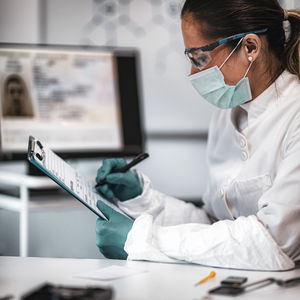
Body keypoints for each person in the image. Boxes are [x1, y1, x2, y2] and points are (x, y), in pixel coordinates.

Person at [95, 0, 300, 271]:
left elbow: (274, 243)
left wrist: (144, 240)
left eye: (200, 58)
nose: (193, 73)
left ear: (250, 47)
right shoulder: (228, 111)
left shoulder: (294, 113)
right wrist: (143, 199)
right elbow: (215, 225)